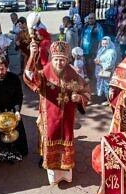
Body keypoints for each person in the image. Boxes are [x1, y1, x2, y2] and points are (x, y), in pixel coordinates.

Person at [24, 41, 91, 184]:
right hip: (50, 119)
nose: (59, 63)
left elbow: (86, 90)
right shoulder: (44, 74)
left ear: (67, 60)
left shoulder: (73, 74)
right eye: (56, 59)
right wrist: (32, 54)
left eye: (62, 60)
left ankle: (66, 173)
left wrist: (79, 97)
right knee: (49, 140)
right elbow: (30, 76)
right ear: (51, 59)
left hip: (67, 119)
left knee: (66, 139)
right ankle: (53, 174)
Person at [0, 56, 28, 159]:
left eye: (2, 69)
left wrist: (17, 111)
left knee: (18, 134)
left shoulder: (14, 78)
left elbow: (18, 96)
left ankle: (20, 151)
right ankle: (5, 154)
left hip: (12, 112)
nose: (0, 72)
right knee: (0, 137)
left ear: (6, 67)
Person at [94, 36, 117, 105]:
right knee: (103, 84)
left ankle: (109, 101)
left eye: (106, 43)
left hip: (107, 71)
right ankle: (106, 97)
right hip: (102, 70)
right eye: (103, 43)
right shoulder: (102, 49)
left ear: (109, 43)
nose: (104, 45)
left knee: (107, 85)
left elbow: (110, 64)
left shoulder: (111, 52)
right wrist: (96, 60)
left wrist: (99, 63)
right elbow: (98, 57)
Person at [81, 13, 104, 79]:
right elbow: (82, 37)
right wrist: (80, 46)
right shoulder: (85, 26)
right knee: (85, 63)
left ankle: (92, 76)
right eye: (89, 18)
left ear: (95, 19)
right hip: (84, 49)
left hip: (93, 49)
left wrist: (99, 50)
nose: (90, 20)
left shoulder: (98, 27)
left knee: (91, 63)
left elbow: (101, 40)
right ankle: (87, 75)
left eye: (92, 18)